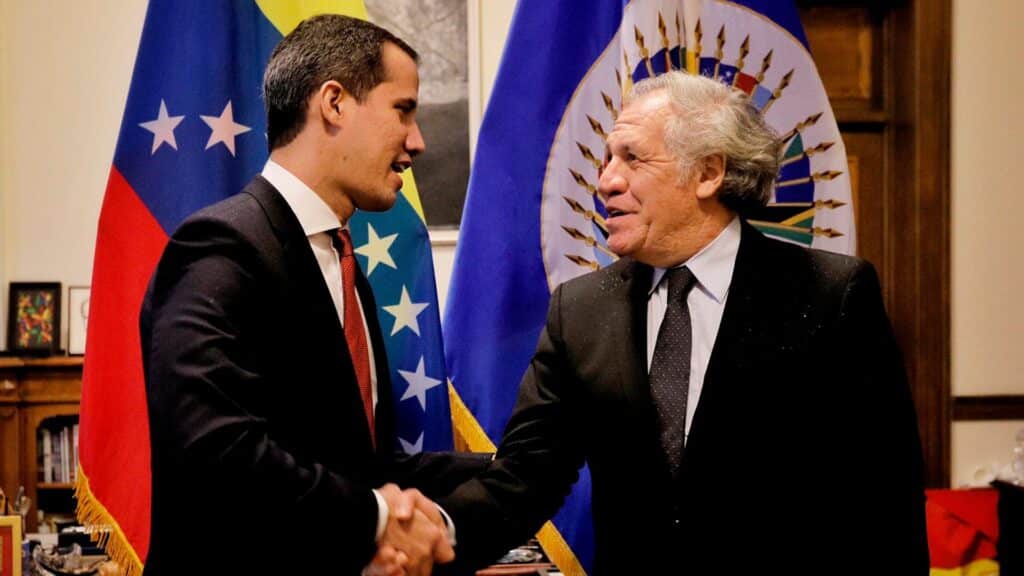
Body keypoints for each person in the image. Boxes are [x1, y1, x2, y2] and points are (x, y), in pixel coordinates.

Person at [438, 71, 929, 574]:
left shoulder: (829, 293)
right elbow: (525, 474)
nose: (606, 179)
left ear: (708, 173)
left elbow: (885, 498)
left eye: (632, 157)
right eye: (607, 158)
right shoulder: (581, 310)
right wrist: (415, 538)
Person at [140, 15, 485, 576]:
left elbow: (354, 464)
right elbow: (215, 447)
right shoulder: (221, 246)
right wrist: (378, 517)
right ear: (334, 102)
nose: (418, 142)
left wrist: (520, 467)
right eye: (403, 109)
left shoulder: (349, 271)